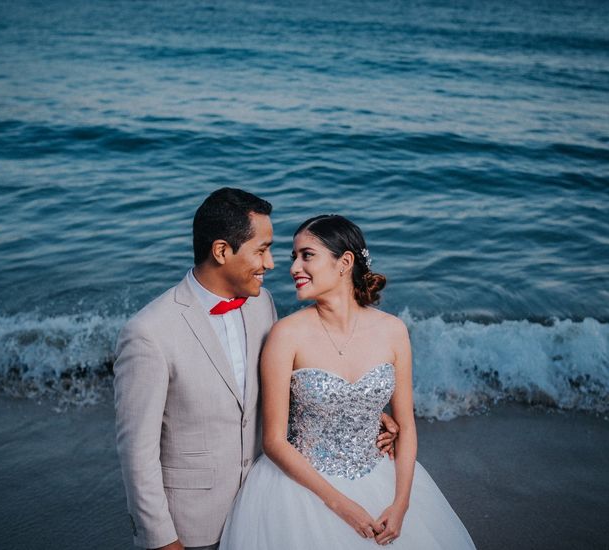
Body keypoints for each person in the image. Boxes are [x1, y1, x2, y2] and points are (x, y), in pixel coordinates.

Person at [113, 190, 397, 550]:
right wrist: (163, 540)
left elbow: (285, 389)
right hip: (193, 526)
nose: (272, 263)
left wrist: (363, 414)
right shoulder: (149, 334)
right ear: (221, 251)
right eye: (261, 250)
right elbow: (137, 453)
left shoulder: (260, 304)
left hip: (262, 506)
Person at [220, 214, 477, 549]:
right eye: (293, 258)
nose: (294, 268)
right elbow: (274, 441)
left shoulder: (393, 331)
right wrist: (341, 505)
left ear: (344, 262)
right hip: (301, 491)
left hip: (379, 479)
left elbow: (406, 426)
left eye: (306, 255)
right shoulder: (287, 335)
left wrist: (401, 504)